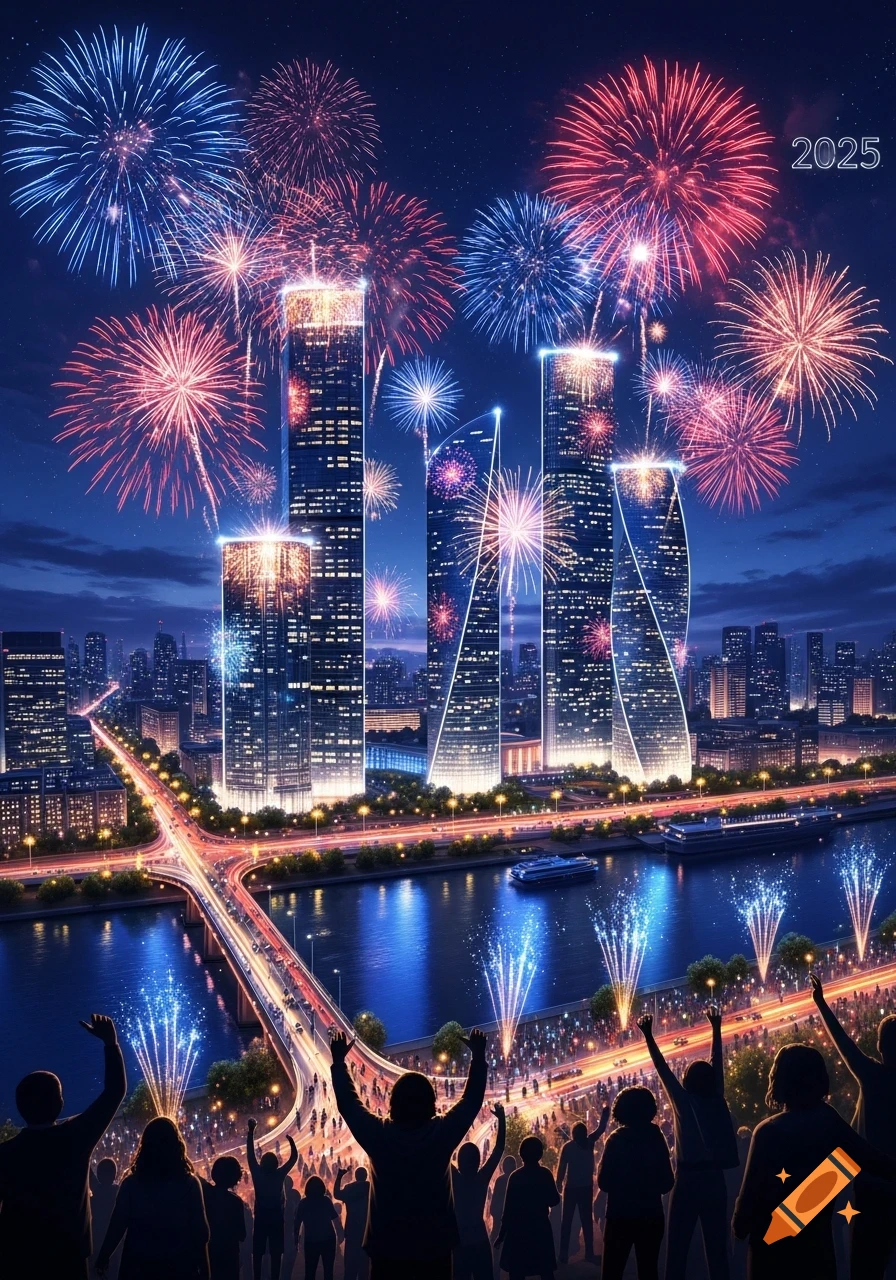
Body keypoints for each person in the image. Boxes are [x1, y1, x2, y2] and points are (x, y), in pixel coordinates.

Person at [329, 1027, 488, 1278]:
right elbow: (471, 1101)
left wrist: (338, 1063)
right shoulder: (441, 1134)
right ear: (431, 1104)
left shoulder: (379, 1136)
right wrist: (478, 1058)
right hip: (434, 1246)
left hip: (388, 1248)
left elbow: (349, 1105)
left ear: (392, 1104)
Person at [733, 1043, 896, 1280]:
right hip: (817, 1250)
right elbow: (877, 1163)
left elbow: (745, 1208)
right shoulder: (829, 1121)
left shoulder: (768, 1131)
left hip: (771, 1253)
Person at [0, 1012, 126, 1280]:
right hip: (69, 1258)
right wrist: (110, 1044)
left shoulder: (6, 1154)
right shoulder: (74, 1139)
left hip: (19, 1261)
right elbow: (114, 1092)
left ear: (21, 1108)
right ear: (60, 1104)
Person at [638, 1007, 738, 1280]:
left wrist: (648, 1034)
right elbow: (717, 1063)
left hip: (688, 1178)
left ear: (687, 1081)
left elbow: (662, 1068)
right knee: (717, 1248)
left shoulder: (682, 1102)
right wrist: (716, 1027)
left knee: (677, 1248)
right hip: (715, 1178)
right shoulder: (717, 1097)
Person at [811, 971, 896, 1279]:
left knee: (865, 1264)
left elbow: (845, 1045)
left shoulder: (874, 1077)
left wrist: (820, 1004)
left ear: (881, 1047)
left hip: (871, 1184)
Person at [95, 1116, 210, 1280]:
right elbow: (201, 1233)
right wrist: (206, 1272)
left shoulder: (131, 1185)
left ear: (145, 1147)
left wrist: (103, 1256)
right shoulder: (189, 1184)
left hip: (138, 1268)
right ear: (176, 1145)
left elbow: (117, 1226)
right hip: (179, 1268)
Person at [597, 1086, 674, 1280]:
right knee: (649, 1271)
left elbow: (604, 1182)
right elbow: (667, 1182)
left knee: (612, 1272)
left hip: (619, 1215)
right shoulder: (656, 1137)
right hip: (651, 1215)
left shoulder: (615, 1141)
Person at [452, 1103, 506, 1280]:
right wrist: (502, 1120)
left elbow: (439, 1153)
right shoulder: (481, 1179)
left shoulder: (454, 1178)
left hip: (459, 1240)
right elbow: (499, 1149)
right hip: (479, 1237)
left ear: (459, 1161)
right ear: (478, 1161)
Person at [495, 1135, 560, 1280]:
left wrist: (501, 1235)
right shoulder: (545, 1174)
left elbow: (508, 1210)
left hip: (518, 1232)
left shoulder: (515, 1177)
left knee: (517, 1272)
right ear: (540, 1154)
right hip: (540, 1229)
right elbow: (554, 1200)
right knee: (545, 1271)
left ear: (521, 1154)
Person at [556, 1107, 609, 1264]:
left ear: (573, 1134)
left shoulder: (568, 1147)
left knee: (567, 1222)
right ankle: (589, 1253)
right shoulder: (589, 1142)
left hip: (571, 1189)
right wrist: (605, 1115)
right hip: (584, 1188)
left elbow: (561, 1168)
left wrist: (558, 1184)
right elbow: (600, 1129)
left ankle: (564, 1254)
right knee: (586, 1221)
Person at [246, 1118, 298, 1280]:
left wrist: (251, 1131)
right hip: (276, 1217)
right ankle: (275, 1277)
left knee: (258, 1251)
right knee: (276, 1252)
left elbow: (250, 1154)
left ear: (262, 1163)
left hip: (261, 1216)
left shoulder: (257, 1173)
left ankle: (257, 1277)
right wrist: (291, 1141)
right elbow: (293, 1158)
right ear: (276, 1164)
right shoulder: (279, 1174)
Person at [201, 1156, 247, 1280]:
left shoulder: (205, 1194)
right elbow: (242, 1234)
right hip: (229, 1256)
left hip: (209, 1254)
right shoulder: (235, 1202)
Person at [293, 1174, 340, 1279]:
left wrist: (296, 1240)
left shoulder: (303, 1203)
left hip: (311, 1241)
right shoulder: (326, 1201)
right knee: (328, 1272)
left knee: (310, 1272)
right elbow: (335, 1218)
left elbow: (297, 1224)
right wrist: (340, 1234)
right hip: (328, 1239)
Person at [334, 1166, 371, 1280]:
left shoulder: (349, 1188)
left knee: (350, 1268)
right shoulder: (371, 1188)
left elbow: (336, 1194)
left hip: (352, 1231)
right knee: (364, 1268)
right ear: (366, 1176)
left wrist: (339, 1177)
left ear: (356, 1176)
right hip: (366, 1231)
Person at [90, 1159, 120, 1280]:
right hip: (115, 1244)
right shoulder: (118, 1192)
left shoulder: (96, 1194)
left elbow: (89, 1176)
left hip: (96, 1240)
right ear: (114, 1175)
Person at [489, 1156, 517, 1246]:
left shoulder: (500, 1180)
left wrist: (493, 1211)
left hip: (499, 1214)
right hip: (511, 1215)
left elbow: (495, 1198)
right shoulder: (515, 1179)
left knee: (495, 1235)